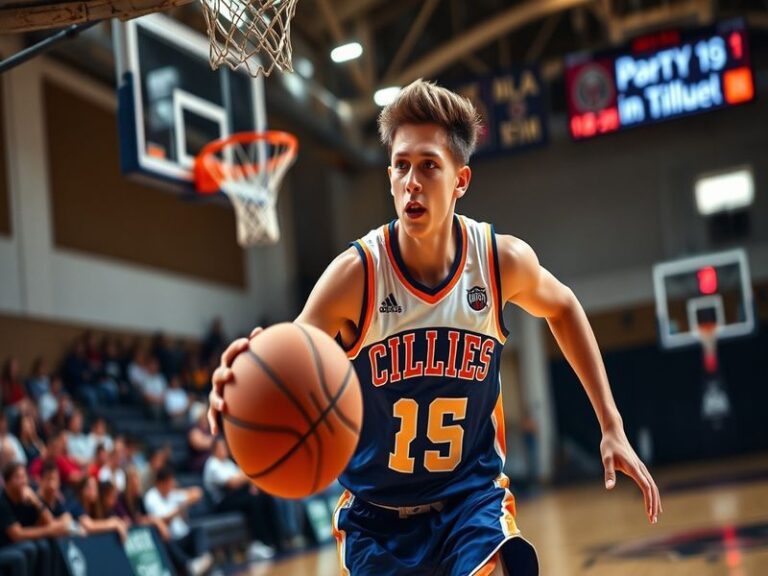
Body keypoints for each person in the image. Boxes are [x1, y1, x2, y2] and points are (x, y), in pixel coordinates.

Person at [207, 80, 662, 575]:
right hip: (376, 520)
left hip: (471, 502)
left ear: (461, 180)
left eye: (428, 165)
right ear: (388, 176)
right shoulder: (355, 276)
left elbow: (564, 307)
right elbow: (287, 361)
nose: (412, 182)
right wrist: (242, 383)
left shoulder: (498, 261)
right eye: (401, 166)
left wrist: (611, 425)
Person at [203, 437, 277, 558]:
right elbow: (233, 483)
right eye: (221, 447)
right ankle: (256, 543)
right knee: (253, 501)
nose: (224, 450)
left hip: (237, 496)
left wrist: (251, 483)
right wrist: (250, 473)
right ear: (214, 449)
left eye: (225, 447)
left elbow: (243, 478)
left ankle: (273, 539)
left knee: (263, 496)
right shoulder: (212, 464)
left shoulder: (228, 463)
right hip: (221, 503)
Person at [0, 462, 70, 576]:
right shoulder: (2, 502)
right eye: (18, 477)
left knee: (44, 545)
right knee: (24, 552)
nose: (23, 481)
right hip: (4, 545)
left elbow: (50, 522)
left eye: (24, 477)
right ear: (7, 482)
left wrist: (36, 502)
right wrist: (49, 531)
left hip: (16, 543)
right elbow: (17, 534)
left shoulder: (28, 496)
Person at [143, 466, 212, 576]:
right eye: (170, 481)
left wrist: (182, 493)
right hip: (170, 540)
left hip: (183, 535)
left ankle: (201, 561)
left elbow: (198, 493)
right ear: (162, 483)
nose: (172, 484)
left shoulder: (172, 493)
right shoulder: (151, 497)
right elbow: (163, 519)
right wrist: (179, 509)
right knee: (167, 540)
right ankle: (189, 566)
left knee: (199, 530)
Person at [67, 476, 128, 541]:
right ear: (83, 490)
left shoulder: (94, 507)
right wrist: (114, 524)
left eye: (95, 487)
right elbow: (90, 526)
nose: (95, 491)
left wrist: (119, 522)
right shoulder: (75, 504)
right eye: (91, 487)